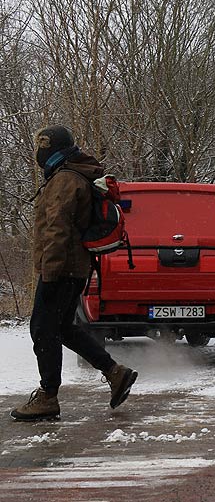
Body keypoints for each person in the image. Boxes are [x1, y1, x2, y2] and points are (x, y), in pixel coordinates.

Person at [10, 125, 138, 422]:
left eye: (42, 145)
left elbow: (58, 227)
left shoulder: (65, 179)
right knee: (63, 327)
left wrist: (50, 270)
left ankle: (47, 397)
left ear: (53, 148)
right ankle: (115, 373)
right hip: (72, 266)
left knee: (42, 329)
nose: (39, 151)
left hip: (61, 267)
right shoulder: (70, 174)